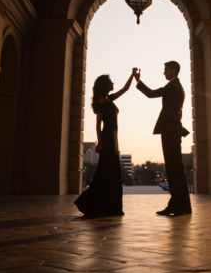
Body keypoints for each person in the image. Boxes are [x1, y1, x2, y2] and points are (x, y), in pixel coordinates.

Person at [133, 61, 192, 216]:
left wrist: (137, 80)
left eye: (165, 70)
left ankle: (180, 206)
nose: (164, 72)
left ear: (173, 70)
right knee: (174, 169)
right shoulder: (175, 86)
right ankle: (178, 205)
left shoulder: (172, 87)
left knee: (174, 169)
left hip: (170, 131)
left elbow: (151, 94)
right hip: (172, 130)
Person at [74, 71, 134, 217]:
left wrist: (132, 75)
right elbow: (98, 125)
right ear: (105, 85)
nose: (113, 83)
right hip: (108, 139)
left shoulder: (109, 99)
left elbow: (125, 89)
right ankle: (97, 204)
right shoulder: (101, 102)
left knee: (109, 173)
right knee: (108, 173)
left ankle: (108, 206)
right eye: (111, 81)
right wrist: (100, 143)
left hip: (112, 138)